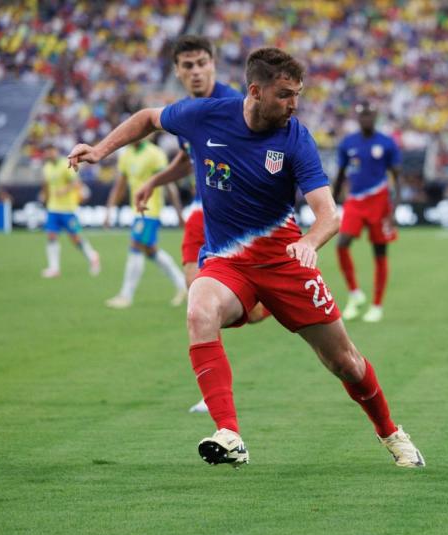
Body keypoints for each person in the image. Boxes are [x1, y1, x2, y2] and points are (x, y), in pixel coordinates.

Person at [68, 47, 425, 469]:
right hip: (227, 262)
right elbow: (148, 117)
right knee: (199, 309)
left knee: (343, 362)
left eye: (298, 94)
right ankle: (229, 433)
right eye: (285, 94)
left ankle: (390, 432)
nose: (294, 104)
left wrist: (309, 242)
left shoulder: (296, 138)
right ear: (255, 91)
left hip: (285, 263)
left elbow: (329, 214)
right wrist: (101, 150)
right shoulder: (206, 116)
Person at [132, 35, 266, 413]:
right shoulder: (184, 111)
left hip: (233, 218)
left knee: (252, 315)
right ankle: (214, 394)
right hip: (199, 213)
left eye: (201, 63)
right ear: (177, 71)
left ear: (213, 65)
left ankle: (270, 296)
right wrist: (154, 181)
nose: (195, 71)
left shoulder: (232, 105)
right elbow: (188, 158)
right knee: (199, 300)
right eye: (187, 66)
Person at [333, 101, 402, 323]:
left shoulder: (386, 143)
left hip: (379, 201)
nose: (366, 119)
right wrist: (332, 203)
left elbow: (397, 178)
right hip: (355, 200)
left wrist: (394, 209)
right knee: (342, 244)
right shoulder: (348, 143)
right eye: (363, 115)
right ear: (357, 118)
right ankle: (355, 293)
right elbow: (341, 174)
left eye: (370, 115)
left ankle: (377, 305)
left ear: (376, 117)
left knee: (379, 252)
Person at [103, 136, 187, 308]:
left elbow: (169, 184)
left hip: (151, 210)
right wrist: (109, 209)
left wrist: (178, 213)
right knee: (150, 251)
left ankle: (126, 296)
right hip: (137, 210)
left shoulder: (155, 154)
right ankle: (183, 285)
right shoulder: (126, 155)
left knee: (135, 246)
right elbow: (120, 185)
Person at [39, 145, 101, 278]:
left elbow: (76, 183)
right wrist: (45, 197)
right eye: (47, 152)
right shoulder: (46, 168)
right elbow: (46, 185)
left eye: (51, 151)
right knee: (51, 236)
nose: (50, 154)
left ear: (56, 151)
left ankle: (93, 256)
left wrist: (64, 190)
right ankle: (54, 268)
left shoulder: (64, 165)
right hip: (53, 208)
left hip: (68, 209)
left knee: (76, 238)